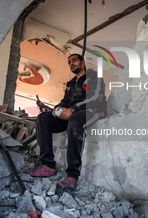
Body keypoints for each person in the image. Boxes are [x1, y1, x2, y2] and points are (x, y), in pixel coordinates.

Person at [27, 53, 107, 193]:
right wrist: (57, 109)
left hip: (93, 110)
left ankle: (72, 176)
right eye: (69, 62)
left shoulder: (94, 77)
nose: (71, 63)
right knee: (43, 118)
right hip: (72, 112)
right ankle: (48, 165)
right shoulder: (70, 84)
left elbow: (96, 97)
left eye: (74, 60)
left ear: (83, 62)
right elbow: (65, 102)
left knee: (75, 122)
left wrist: (73, 109)